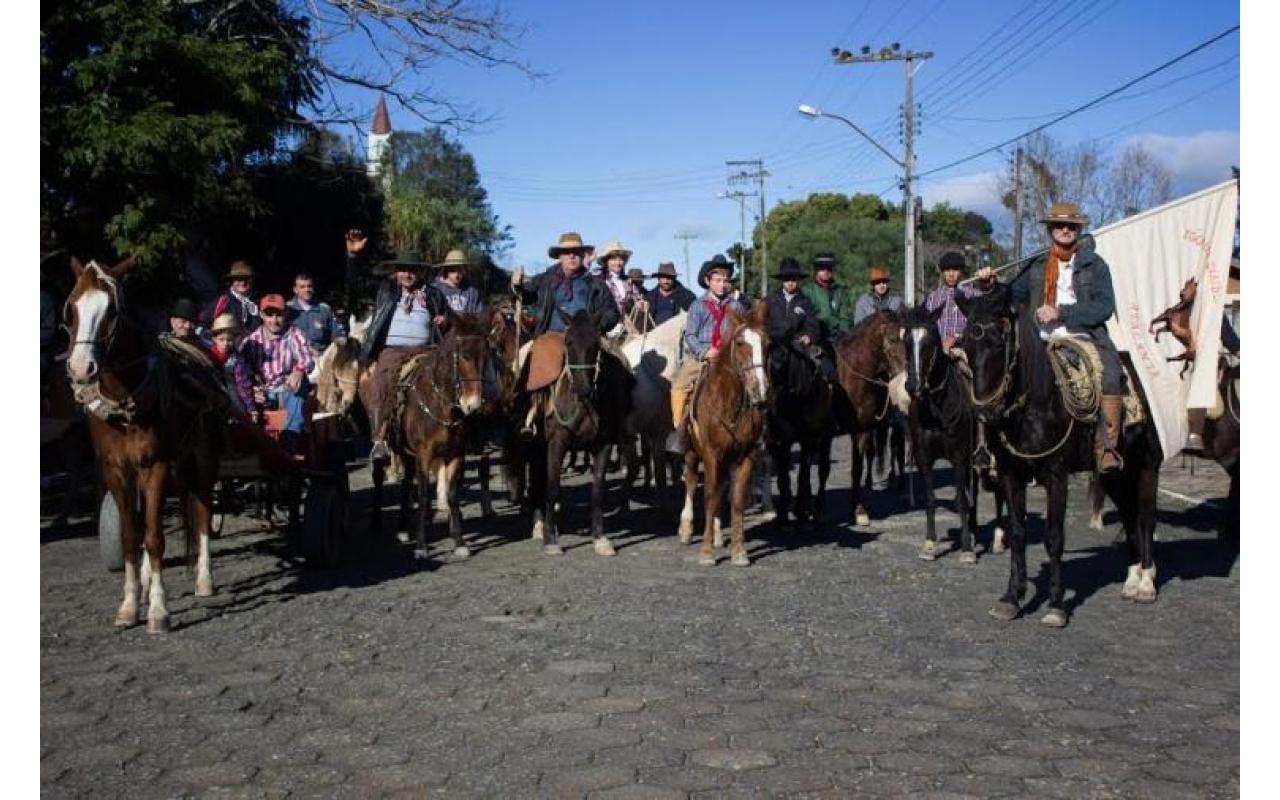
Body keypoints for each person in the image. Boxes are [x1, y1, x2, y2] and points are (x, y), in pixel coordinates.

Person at [975, 201, 1126, 473]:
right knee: (995, 371)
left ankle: (1107, 446)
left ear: (1078, 230)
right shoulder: (1035, 264)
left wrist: (1061, 312)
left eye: (1071, 226)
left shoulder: (1096, 264)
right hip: (1037, 339)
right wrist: (990, 285)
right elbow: (1010, 297)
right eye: (1059, 225)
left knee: (1111, 372)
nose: (1065, 230)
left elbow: (1105, 306)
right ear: (1050, 230)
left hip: (1083, 335)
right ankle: (992, 448)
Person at [361, 250, 446, 460]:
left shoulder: (433, 294)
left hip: (426, 350)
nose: (407, 275)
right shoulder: (386, 289)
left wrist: (444, 320)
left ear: (419, 272)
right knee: (379, 384)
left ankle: (449, 433)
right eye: (402, 270)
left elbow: (446, 317)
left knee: (448, 378)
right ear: (396, 272)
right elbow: (358, 283)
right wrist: (354, 258)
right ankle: (378, 440)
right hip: (392, 350)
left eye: (412, 270)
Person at [665, 255, 749, 453]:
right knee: (678, 385)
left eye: (726, 281)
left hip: (730, 357)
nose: (723, 285)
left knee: (755, 382)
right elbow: (690, 335)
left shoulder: (736, 306)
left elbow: (743, 333)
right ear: (707, 281)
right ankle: (681, 431)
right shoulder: (698, 306)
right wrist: (704, 352)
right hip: (701, 356)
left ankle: (756, 429)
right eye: (718, 281)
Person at [239, 294, 315, 449]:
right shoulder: (251, 341)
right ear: (261, 315)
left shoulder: (294, 334)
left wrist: (299, 371)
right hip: (264, 390)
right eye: (269, 315)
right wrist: (253, 388)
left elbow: (306, 358)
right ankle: (250, 441)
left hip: (287, 388)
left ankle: (290, 437)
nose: (274, 320)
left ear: (285, 314)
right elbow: (243, 370)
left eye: (278, 315)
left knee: (298, 387)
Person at [511, 232, 621, 338]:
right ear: (559, 256)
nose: (572, 255)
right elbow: (523, 297)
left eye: (576, 252)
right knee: (523, 356)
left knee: (619, 357)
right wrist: (516, 287)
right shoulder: (544, 280)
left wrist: (596, 326)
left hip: (585, 341)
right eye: (566, 252)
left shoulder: (596, 284)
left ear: (583, 255)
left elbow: (612, 312)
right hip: (548, 338)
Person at [765, 257, 835, 384]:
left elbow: (813, 324)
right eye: (787, 279)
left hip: (798, 343)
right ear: (782, 281)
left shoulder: (805, 302)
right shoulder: (770, 300)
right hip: (774, 343)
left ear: (798, 280)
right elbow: (761, 322)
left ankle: (826, 391)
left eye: (793, 279)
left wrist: (809, 336)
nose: (790, 282)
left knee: (822, 365)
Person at [924, 251, 984, 353]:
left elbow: (980, 328)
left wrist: (956, 337)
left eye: (955, 270)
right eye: (947, 270)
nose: (951, 274)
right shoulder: (932, 298)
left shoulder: (974, 295)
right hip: (938, 352)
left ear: (961, 271)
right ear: (942, 272)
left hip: (965, 351)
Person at [286, 273, 347, 359]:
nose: (307, 289)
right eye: (302, 287)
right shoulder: (288, 309)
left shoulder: (324, 309)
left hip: (321, 357)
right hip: (295, 358)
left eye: (309, 286)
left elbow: (339, 335)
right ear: (295, 290)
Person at [208, 313, 255, 416]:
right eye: (221, 339)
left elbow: (243, 384)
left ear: (235, 340)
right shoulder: (207, 356)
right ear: (214, 339)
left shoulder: (237, 360)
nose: (225, 343)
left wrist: (251, 407)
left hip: (231, 396)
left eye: (229, 340)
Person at [802, 253, 857, 338]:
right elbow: (807, 318)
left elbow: (845, 317)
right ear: (816, 270)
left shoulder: (840, 291)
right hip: (816, 336)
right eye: (822, 268)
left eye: (829, 268)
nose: (826, 271)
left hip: (838, 337)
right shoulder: (806, 291)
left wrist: (843, 333)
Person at [207, 260, 261, 333]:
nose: (243, 282)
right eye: (238, 279)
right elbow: (202, 324)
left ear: (252, 280)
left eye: (246, 279)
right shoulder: (221, 302)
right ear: (232, 281)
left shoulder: (261, 302)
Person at [430, 249, 485, 314]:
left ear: (464, 270)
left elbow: (478, 316)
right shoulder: (434, 290)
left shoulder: (472, 292)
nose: (456, 274)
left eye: (460, 270)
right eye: (453, 270)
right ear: (447, 270)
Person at [597, 240, 642, 319]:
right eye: (613, 259)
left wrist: (641, 303)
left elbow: (637, 298)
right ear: (606, 261)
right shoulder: (600, 281)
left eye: (621, 259)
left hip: (627, 326)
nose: (618, 263)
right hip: (606, 326)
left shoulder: (628, 282)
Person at [643, 261, 696, 326]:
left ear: (674, 278)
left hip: (679, 333)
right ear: (658, 278)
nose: (666, 281)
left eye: (669, 277)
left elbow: (695, 319)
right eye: (663, 277)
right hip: (653, 334)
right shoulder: (649, 297)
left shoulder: (687, 297)